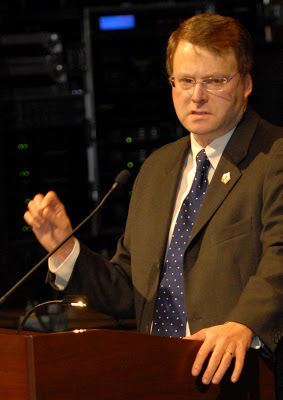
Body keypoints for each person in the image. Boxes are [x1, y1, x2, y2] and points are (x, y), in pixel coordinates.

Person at [24, 13, 283, 386]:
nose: (197, 95)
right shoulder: (156, 170)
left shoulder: (273, 157)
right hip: (159, 377)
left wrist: (243, 324)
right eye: (186, 81)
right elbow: (133, 291)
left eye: (215, 80)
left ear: (245, 83)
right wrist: (65, 251)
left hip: (245, 380)